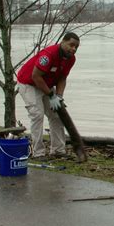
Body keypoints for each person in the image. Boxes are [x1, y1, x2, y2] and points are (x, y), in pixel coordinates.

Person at [17, 32, 80, 161]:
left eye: (76, 47)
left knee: (56, 115)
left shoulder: (71, 59)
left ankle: (57, 150)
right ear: (63, 42)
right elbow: (36, 76)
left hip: (46, 84)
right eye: (71, 45)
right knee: (37, 114)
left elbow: (62, 78)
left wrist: (59, 96)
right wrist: (51, 95)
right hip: (29, 83)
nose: (73, 49)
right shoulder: (48, 55)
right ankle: (38, 153)